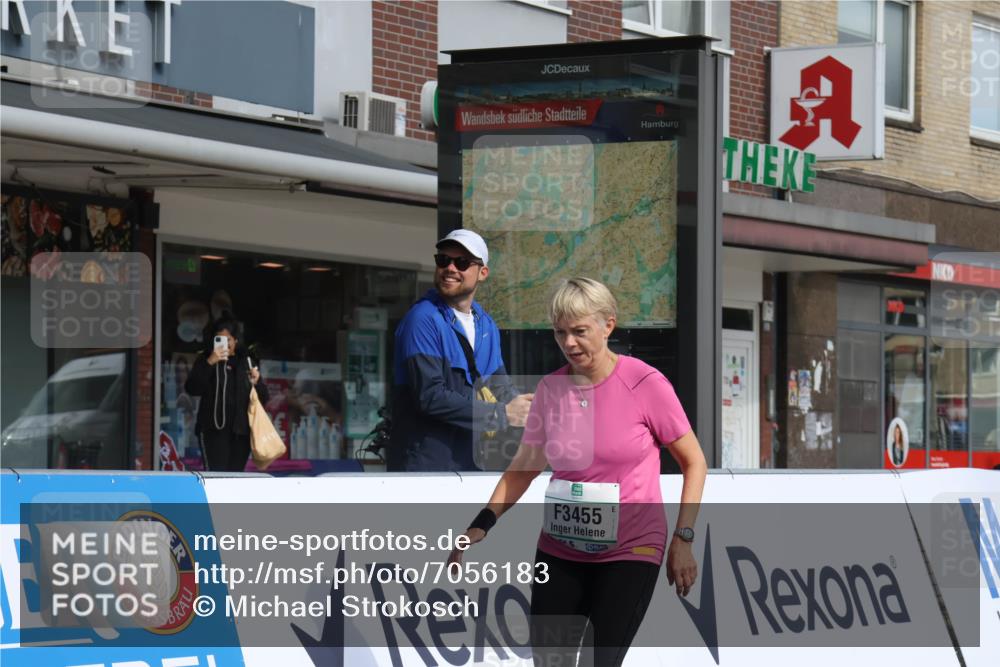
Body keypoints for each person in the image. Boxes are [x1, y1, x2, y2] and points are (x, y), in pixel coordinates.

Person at [450, 278, 708, 667]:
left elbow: (694, 461)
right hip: (560, 549)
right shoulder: (552, 390)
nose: (569, 343)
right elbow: (523, 469)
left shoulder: (644, 383)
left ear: (608, 326)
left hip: (631, 549)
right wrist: (481, 524)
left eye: (580, 331)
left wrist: (683, 538)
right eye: (560, 332)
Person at [388, 229, 534, 472]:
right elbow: (431, 397)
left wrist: (530, 408)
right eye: (443, 260)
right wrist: (502, 414)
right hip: (425, 468)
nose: (451, 268)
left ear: (483, 273)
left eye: (462, 262)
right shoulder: (422, 319)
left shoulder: (485, 324)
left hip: (470, 464)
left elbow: (499, 386)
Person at [185, 313, 269, 472]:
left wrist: (257, 382)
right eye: (219, 339)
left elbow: (263, 398)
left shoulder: (247, 362)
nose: (224, 344)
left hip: (241, 433)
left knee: (235, 478)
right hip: (213, 432)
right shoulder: (206, 359)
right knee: (216, 476)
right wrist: (210, 362)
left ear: (236, 340)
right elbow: (192, 388)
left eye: (228, 340)